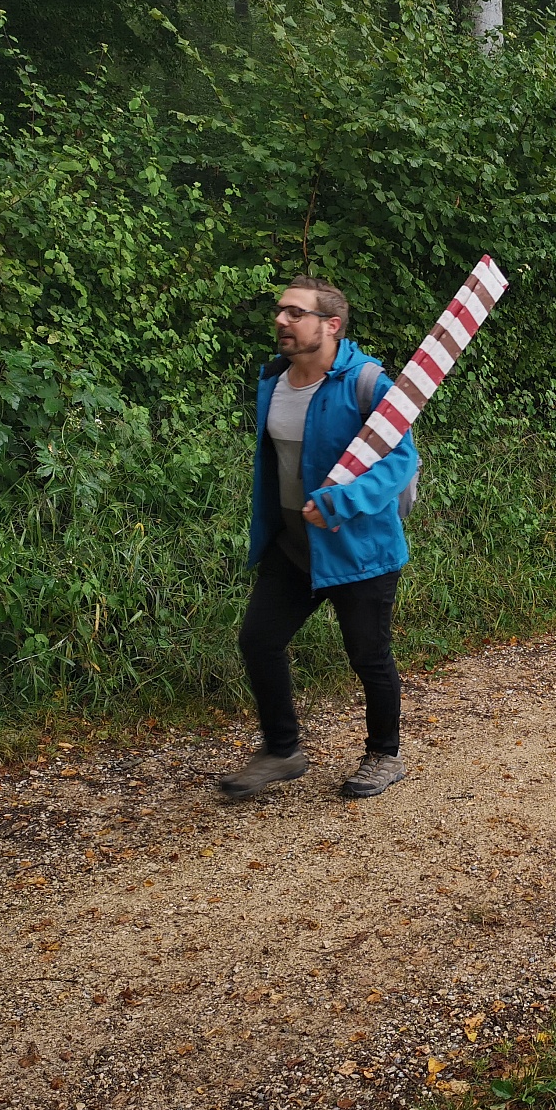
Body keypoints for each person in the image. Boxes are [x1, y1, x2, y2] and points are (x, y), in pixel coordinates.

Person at [220, 275, 420, 801]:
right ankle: (282, 750)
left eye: (295, 313)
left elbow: (401, 461)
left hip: (359, 549)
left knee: (368, 656)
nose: (281, 320)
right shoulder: (273, 380)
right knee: (259, 641)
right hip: (293, 546)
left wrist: (339, 502)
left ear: (331, 325)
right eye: (280, 310)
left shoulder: (367, 383)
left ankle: (384, 754)